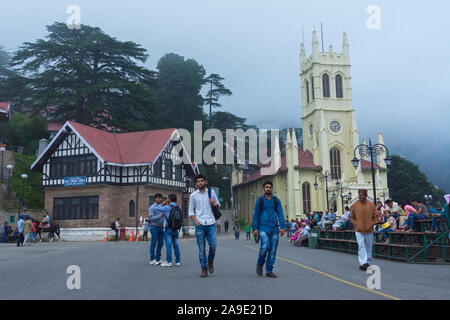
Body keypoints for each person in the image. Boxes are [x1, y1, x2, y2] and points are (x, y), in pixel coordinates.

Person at [252, 181, 286, 278]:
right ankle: (260, 264)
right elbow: (256, 215)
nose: (268, 189)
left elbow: (280, 213)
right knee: (265, 246)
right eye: (266, 187)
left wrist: (282, 227)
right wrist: (255, 228)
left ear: (272, 188)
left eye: (270, 187)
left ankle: (269, 270)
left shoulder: (276, 200)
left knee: (272, 250)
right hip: (263, 228)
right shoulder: (260, 200)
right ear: (264, 188)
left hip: (274, 229)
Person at [189, 175, 220, 278]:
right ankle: (204, 268)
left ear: (205, 182)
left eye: (202, 181)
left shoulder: (211, 192)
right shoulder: (193, 195)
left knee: (213, 246)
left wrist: (214, 203)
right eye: (198, 181)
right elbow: (190, 211)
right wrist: (195, 221)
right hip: (200, 224)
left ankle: (210, 261)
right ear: (196, 184)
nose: (200, 183)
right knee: (201, 249)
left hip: (211, 223)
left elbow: (218, 204)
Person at [349, 189, 379, 271]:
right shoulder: (355, 205)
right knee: (361, 246)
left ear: (365, 195)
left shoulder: (371, 205)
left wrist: (371, 224)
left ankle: (368, 262)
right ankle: (363, 263)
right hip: (358, 229)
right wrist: (356, 224)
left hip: (369, 229)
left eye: (361, 195)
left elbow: (376, 217)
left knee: (368, 246)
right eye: (359, 195)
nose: (359, 196)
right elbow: (351, 217)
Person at [156, 194, 181, 267]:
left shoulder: (167, 207)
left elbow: (157, 208)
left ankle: (169, 261)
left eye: (167, 198)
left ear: (169, 199)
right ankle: (178, 261)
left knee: (168, 245)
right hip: (176, 229)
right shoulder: (179, 207)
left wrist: (163, 203)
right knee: (176, 245)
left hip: (168, 229)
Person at [149, 193, 165, 265]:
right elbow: (151, 218)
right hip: (154, 226)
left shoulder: (162, 207)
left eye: (161, 198)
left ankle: (158, 258)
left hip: (161, 227)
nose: (161, 199)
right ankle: (152, 259)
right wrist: (160, 215)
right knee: (154, 243)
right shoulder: (152, 207)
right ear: (155, 199)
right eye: (159, 198)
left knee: (161, 243)